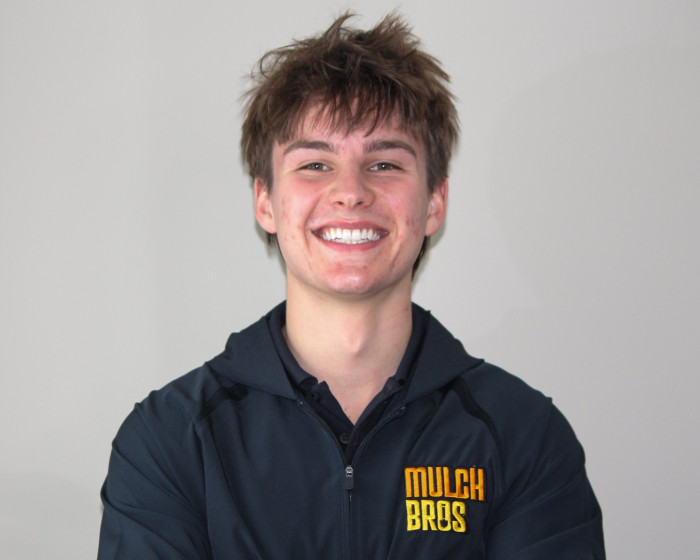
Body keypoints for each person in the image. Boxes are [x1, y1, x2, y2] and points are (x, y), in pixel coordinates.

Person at [98, 13, 605, 559]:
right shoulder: (171, 439)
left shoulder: (523, 435)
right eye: (315, 164)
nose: (350, 191)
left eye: (384, 164)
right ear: (265, 201)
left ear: (434, 202)